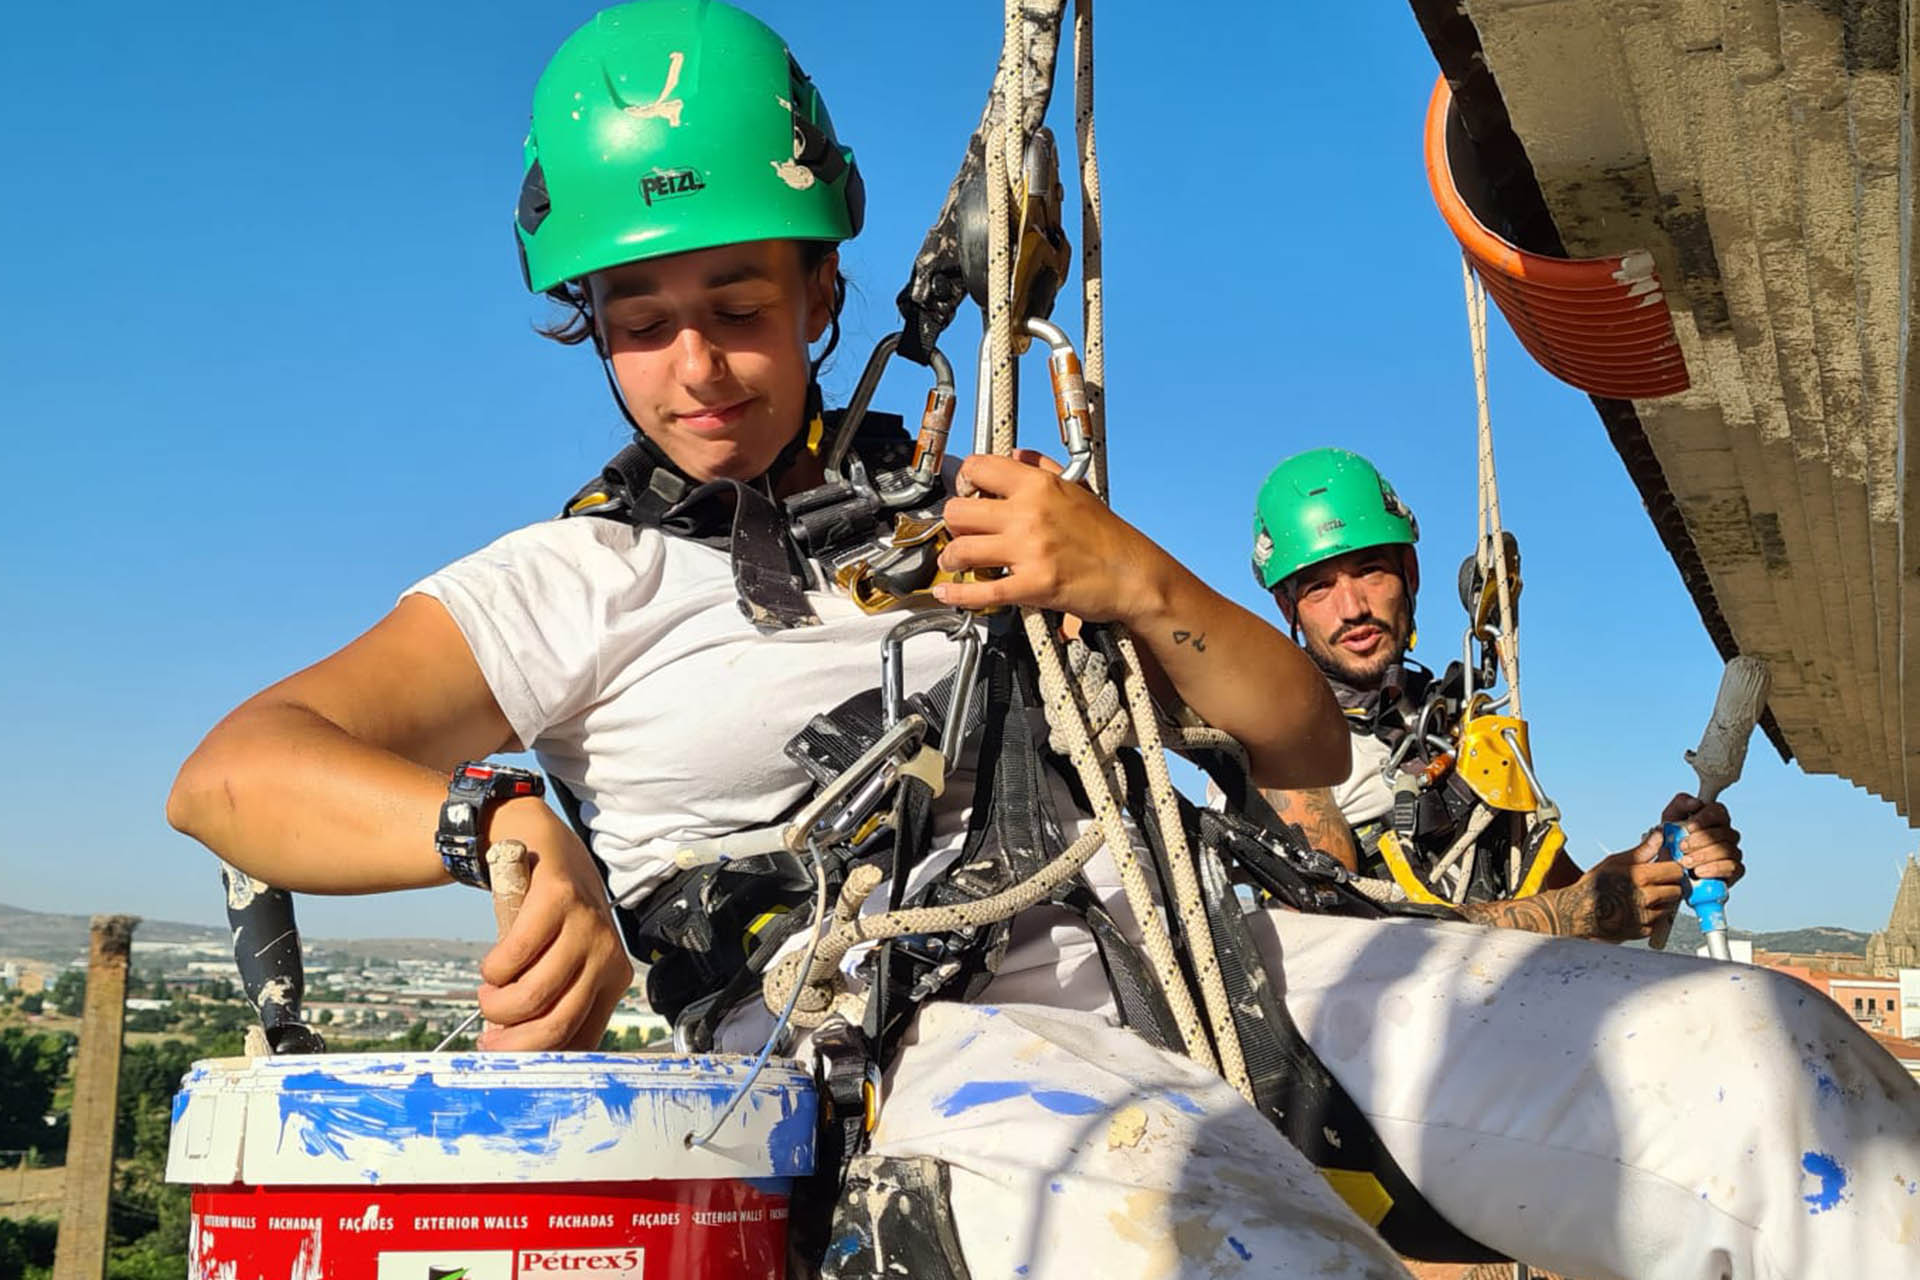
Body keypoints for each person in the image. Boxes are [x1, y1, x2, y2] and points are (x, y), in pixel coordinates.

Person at [168, 7, 1918, 1278]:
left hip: (1222, 956)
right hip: (906, 1048)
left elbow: (1298, 742)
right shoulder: (574, 581)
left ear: (824, 295)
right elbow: (234, 774)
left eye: (740, 309)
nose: (697, 367)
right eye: (643, 325)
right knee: (1226, 1242)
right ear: (594, 336)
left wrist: (1127, 573)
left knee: (1766, 1071)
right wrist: (488, 818)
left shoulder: (983, 516)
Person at [1247, 446, 1743, 942]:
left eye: (1370, 570)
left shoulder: (1456, 726)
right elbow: (1335, 941)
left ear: (1410, 574)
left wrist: (1657, 863)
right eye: (1319, 588)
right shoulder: (1285, 745)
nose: (1352, 607)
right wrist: (1572, 913)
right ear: (1286, 607)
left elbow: (1567, 898)